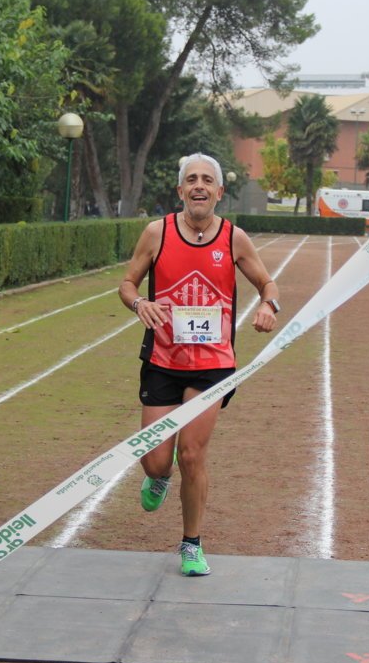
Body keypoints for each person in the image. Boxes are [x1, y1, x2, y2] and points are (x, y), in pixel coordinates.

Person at [118, 153, 280, 577]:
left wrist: (269, 305)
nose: (199, 186)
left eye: (207, 180)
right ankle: (159, 476)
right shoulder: (157, 232)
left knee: (191, 454)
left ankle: (192, 544)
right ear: (180, 190)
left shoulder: (233, 238)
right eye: (191, 179)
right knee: (156, 461)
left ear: (219, 192)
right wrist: (139, 303)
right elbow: (127, 283)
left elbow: (267, 283)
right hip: (163, 359)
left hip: (213, 365)